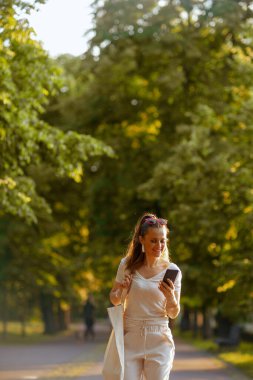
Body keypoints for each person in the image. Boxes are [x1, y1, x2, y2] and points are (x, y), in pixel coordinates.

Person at [109, 213, 182, 380]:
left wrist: (170, 297)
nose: (159, 245)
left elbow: (173, 312)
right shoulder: (127, 265)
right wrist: (121, 289)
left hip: (159, 338)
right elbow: (114, 299)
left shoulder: (173, 270)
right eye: (153, 240)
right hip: (131, 335)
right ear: (141, 239)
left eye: (162, 240)